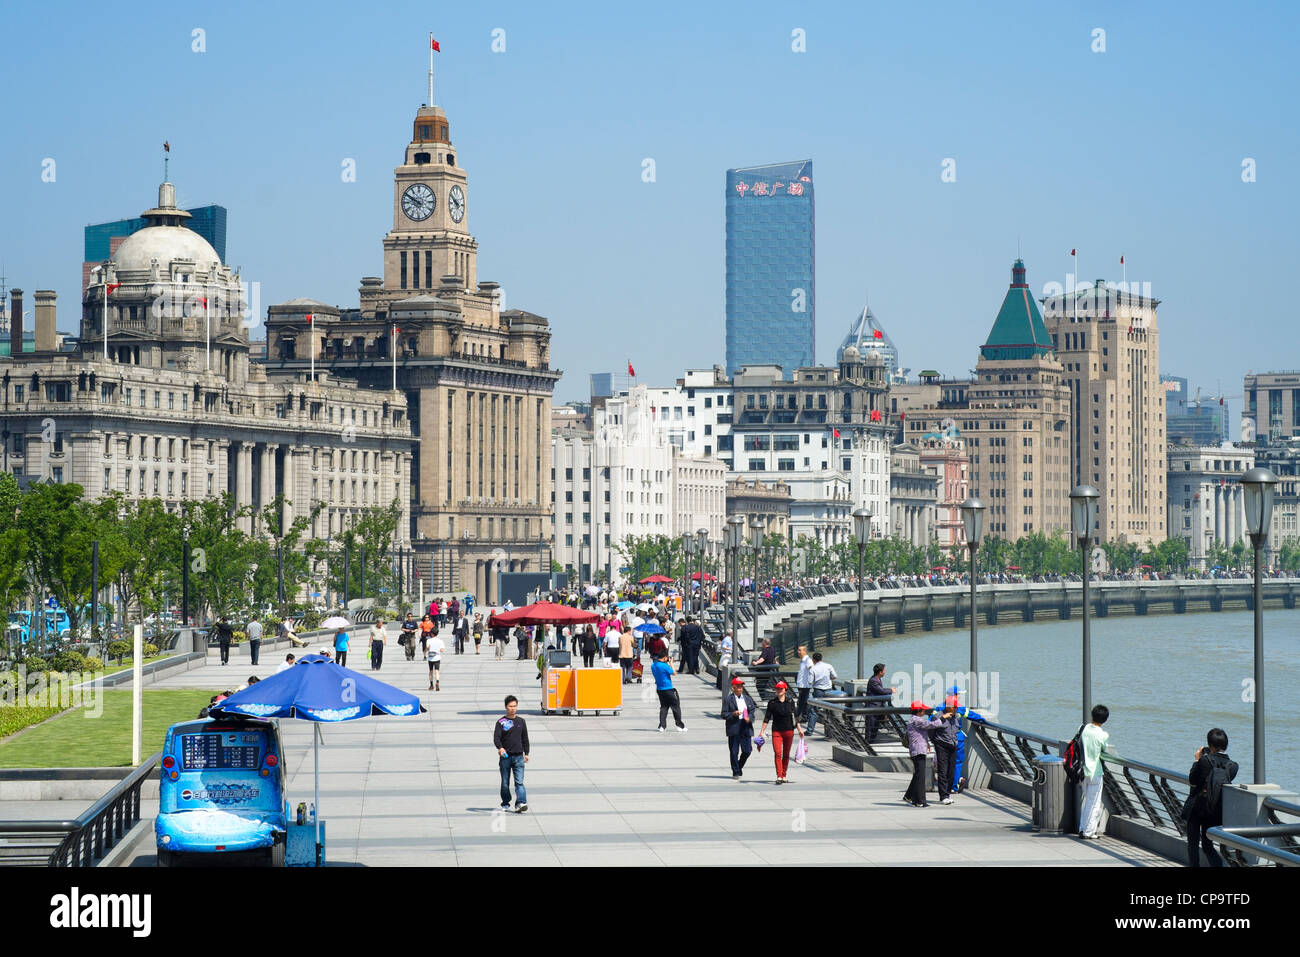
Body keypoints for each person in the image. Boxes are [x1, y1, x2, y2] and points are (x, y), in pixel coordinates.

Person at [1184, 728, 1239, 867]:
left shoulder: (1204, 761)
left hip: (1197, 807)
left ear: (1211, 745)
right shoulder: (1233, 766)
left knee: (1193, 845)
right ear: (1225, 745)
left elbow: (1192, 780)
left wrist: (1196, 760)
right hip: (1214, 809)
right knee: (1208, 846)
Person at [1078, 704, 1114, 839]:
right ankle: (1089, 832)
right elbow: (1104, 750)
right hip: (1095, 772)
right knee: (1094, 804)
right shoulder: (1103, 735)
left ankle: (1082, 828)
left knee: (1087, 801)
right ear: (1105, 719)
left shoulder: (1083, 728)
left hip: (1082, 771)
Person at [758, 680, 804, 784]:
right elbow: (767, 718)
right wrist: (762, 731)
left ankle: (784, 775)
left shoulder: (790, 701)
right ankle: (779, 775)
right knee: (778, 753)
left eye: (781, 688)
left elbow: (796, 716)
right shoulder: (772, 703)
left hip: (789, 731)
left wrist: (799, 729)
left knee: (786, 754)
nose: (779, 690)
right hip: (776, 731)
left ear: (785, 690)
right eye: (777, 688)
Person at [494, 695, 530, 813]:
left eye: (515, 706)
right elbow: (497, 738)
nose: (513, 708)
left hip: (519, 756)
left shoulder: (521, 721)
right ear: (506, 707)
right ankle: (505, 802)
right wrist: (500, 748)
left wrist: (527, 753)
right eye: (510, 706)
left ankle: (521, 803)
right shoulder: (501, 722)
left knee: (519, 782)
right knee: (505, 783)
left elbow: (525, 738)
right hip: (506, 757)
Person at [904, 701, 943, 807]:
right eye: (923, 710)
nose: (925, 711)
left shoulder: (914, 719)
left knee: (918, 775)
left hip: (918, 749)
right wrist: (943, 718)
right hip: (918, 751)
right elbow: (930, 725)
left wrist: (927, 744)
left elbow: (920, 734)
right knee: (920, 777)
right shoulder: (916, 720)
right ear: (919, 711)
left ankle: (911, 797)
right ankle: (919, 801)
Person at [723, 676, 758, 779]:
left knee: (747, 750)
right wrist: (733, 714)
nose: (740, 688)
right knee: (734, 751)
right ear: (733, 688)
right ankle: (735, 771)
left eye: (741, 686)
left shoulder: (747, 698)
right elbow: (724, 714)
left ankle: (739, 766)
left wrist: (749, 718)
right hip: (734, 726)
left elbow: (752, 711)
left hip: (745, 726)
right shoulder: (728, 699)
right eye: (738, 687)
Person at [652, 650, 687, 732]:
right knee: (676, 707)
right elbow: (674, 673)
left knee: (664, 707)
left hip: (660, 689)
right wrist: (671, 663)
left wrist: (666, 662)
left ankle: (662, 726)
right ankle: (680, 725)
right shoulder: (664, 666)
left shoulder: (653, 665)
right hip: (668, 689)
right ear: (664, 658)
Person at [804, 652, 838, 736]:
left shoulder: (813, 669)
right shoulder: (829, 666)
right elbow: (835, 676)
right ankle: (832, 731)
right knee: (829, 710)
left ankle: (810, 731)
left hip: (818, 691)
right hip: (829, 691)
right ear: (821, 658)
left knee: (814, 711)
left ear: (813, 660)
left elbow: (810, 682)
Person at [932, 700, 959, 805]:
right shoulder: (938, 716)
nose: (955, 709)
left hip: (953, 746)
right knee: (943, 771)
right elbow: (931, 731)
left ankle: (947, 794)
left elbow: (957, 729)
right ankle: (943, 796)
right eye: (954, 707)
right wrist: (936, 743)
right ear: (948, 707)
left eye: (956, 707)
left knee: (951, 771)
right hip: (941, 745)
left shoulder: (957, 717)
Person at [865, 663, 897, 742]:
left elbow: (880, 690)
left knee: (875, 727)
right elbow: (881, 691)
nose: (885, 672)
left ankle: (871, 743)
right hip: (872, 707)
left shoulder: (877, 679)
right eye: (884, 670)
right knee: (871, 728)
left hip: (878, 707)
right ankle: (868, 744)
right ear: (880, 672)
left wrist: (889, 690)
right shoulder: (873, 680)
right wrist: (891, 690)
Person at [794, 644, 813, 722]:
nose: (798, 652)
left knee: (802, 702)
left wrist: (810, 681)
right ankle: (804, 717)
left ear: (804, 651)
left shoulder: (807, 660)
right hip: (801, 685)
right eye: (798, 650)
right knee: (803, 702)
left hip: (805, 685)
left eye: (799, 650)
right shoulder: (803, 660)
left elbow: (812, 669)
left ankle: (802, 717)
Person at [426, 626, 446, 691]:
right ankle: (437, 681)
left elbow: (427, 647)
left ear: (432, 633)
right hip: (437, 657)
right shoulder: (440, 641)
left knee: (431, 671)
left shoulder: (429, 640)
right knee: (437, 671)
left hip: (430, 658)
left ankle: (431, 685)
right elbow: (442, 650)